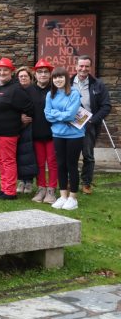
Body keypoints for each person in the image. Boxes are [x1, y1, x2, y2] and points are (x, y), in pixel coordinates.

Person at [0, 58, 34, 200]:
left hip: (6, 132)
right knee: (0, 160)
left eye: (5, 70)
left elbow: (29, 106)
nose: (2, 72)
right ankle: (4, 188)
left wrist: (24, 117)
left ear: (11, 72)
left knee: (8, 161)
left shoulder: (16, 89)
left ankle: (10, 192)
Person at [72, 55, 111, 195]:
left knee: (88, 155)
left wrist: (92, 120)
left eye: (86, 66)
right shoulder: (68, 82)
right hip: (70, 126)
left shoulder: (98, 84)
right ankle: (72, 182)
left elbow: (106, 106)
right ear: (75, 66)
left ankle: (86, 184)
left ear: (90, 67)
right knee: (71, 155)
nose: (83, 69)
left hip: (88, 126)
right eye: (81, 66)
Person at [46, 67, 84, 210]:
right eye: (55, 77)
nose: (58, 80)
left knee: (71, 165)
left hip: (74, 135)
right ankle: (63, 196)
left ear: (66, 78)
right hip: (58, 134)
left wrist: (56, 114)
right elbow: (47, 115)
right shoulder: (50, 94)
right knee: (61, 165)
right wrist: (62, 114)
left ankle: (73, 198)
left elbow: (71, 115)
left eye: (61, 77)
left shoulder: (74, 93)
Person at [30, 59, 58, 204]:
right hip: (36, 133)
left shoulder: (56, 89)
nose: (42, 74)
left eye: (45, 72)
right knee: (39, 163)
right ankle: (41, 188)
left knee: (52, 162)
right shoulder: (29, 90)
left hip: (53, 133)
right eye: (40, 72)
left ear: (50, 74)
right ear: (35, 74)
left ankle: (51, 189)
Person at [15, 66, 38, 194]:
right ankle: (20, 180)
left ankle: (28, 182)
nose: (23, 78)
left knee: (29, 155)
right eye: (20, 76)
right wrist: (19, 117)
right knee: (18, 155)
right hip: (17, 127)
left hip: (31, 127)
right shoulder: (14, 90)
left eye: (25, 76)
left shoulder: (34, 90)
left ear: (30, 78)